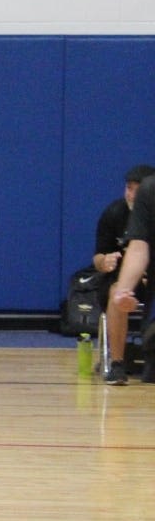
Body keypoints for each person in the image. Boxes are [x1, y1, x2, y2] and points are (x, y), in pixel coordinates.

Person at [95, 164, 155, 384]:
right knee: (115, 293)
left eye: (136, 190)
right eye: (128, 188)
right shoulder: (114, 213)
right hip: (122, 278)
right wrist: (106, 262)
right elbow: (99, 257)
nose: (131, 194)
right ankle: (118, 363)